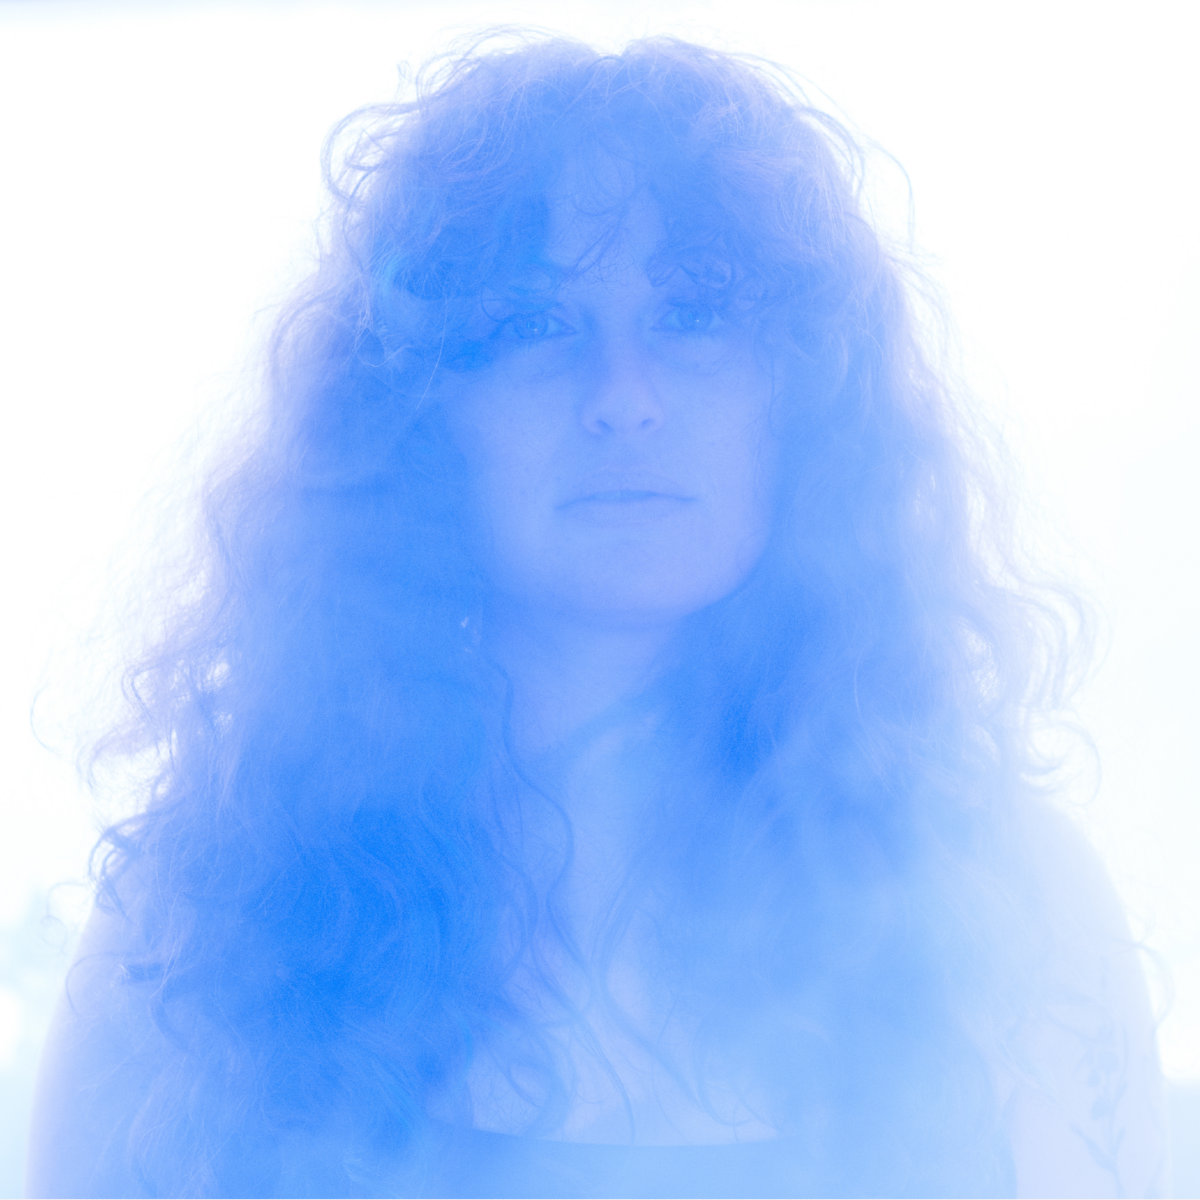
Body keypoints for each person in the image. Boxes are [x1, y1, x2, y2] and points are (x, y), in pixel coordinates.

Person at [26, 32, 1167, 1198]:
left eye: (695, 315)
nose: (625, 396)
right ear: (415, 415)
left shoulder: (1003, 900)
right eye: (532, 325)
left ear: (803, 393)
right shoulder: (208, 923)